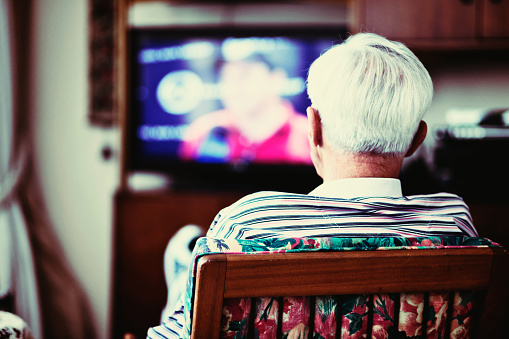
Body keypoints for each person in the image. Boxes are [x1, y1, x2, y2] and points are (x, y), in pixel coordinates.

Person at [147, 32, 478, 338]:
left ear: (314, 128)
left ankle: (184, 268)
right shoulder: (454, 220)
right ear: (416, 139)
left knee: (186, 275)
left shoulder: (248, 222)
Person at [178, 53, 311, 165]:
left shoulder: (311, 138)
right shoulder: (202, 132)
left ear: (276, 79)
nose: (232, 87)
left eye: (244, 75)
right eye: (225, 76)